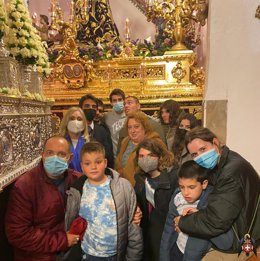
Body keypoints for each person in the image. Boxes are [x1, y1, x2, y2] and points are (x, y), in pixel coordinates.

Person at [174, 127, 260, 261]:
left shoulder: (231, 173)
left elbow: (215, 221)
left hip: (238, 242)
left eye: (203, 149)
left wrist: (182, 222)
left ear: (215, 143)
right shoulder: (223, 163)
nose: (200, 156)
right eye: (195, 154)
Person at [5, 136, 82, 261]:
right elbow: (18, 234)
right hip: (38, 256)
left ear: (70, 158)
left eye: (61, 154)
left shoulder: (76, 180)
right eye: (50, 153)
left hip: (70, 252)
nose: (55, 158)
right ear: (42, 155)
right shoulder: (25, 185)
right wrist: (62, 240)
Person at [64, 141, 143, 260]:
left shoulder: (123, 187)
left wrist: (133, 256)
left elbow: (133, 225)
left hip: (116, 253)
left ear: (105, 162)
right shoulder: (77, 191)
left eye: (98, 162)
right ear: (82, 166)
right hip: (89, 253)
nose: (93, 167)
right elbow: (71, 222)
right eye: (87, 163)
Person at [160, 160, 234, 261]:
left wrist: (201, 218)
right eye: (182, 187)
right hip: (176, 252)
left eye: (191, 187)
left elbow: (226, 243)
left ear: (204, 184)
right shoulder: (178, 198)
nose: (185, 193)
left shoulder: (214, 203)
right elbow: (167, 231)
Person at [134, 139, 178, 261]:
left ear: (160, 157)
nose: (145, 159)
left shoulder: (173, 178)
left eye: (150, 155)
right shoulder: (140, 179)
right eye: (141, 156)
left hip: (166, 233)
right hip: (146, 234)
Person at [115, 111, 163, 187]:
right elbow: (119, 165)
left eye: (136, 126)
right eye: (129, 127)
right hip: (123, 186)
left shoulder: (154, 142)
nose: (132, 131)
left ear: (145, 127)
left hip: (144, 188)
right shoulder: (125, 141)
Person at [79, 94, 114, 168]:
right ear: (80, 109)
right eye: (87, 106)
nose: (91, 108)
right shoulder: (75, 130)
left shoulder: (102, 130)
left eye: (94, 107)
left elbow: (109, 155)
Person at [59, 106, 89, 172]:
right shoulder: (59, 142)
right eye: (72, 118)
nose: (75, 121)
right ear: (66, 121)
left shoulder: (88, 143)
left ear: (84, 123)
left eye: (79, 119)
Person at [105, 88, 126, 158]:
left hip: (128, 154)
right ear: (111, 103)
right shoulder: (107, 116)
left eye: (120, 100)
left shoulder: (130, 115)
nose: (117, 102)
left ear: (124, 101)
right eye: (114, 100)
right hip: (114, 156)